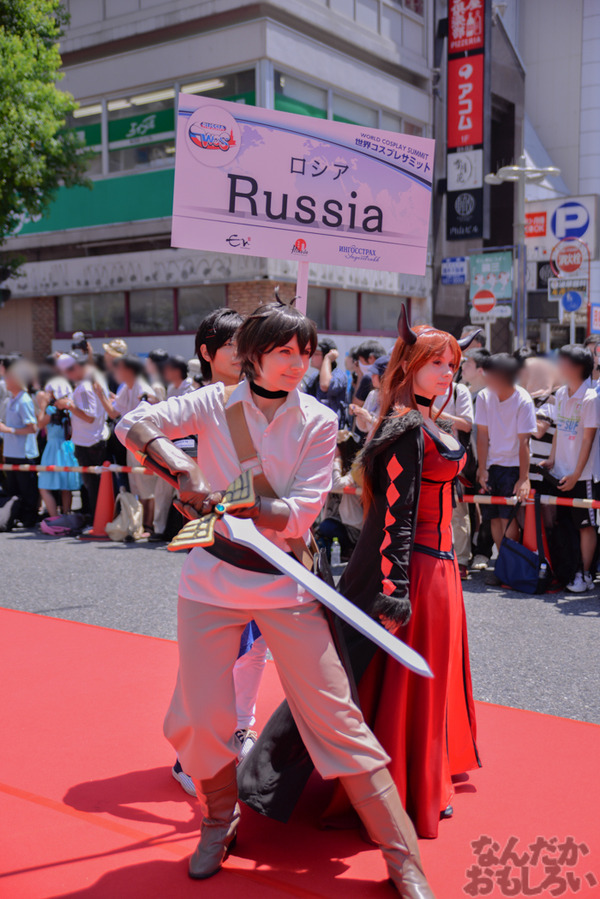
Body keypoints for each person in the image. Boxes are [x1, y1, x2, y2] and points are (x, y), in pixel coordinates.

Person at [115, 300, 435, 897]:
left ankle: (401, 854)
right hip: (211, 581)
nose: (297, 363)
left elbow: (300, 515)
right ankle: (218, 818)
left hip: (287, 581)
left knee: (336, 716)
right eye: (284, 351)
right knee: (203, 717)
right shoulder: (212, 402)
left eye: (305, 352)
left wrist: (242, 505)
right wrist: (180, 467)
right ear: (252, 355)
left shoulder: (316, 419)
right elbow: (132, 422)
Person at [238, 311, 481, 842]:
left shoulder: (428, 422)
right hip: (411, 570)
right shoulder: (404, 428)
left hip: (441, 571)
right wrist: (394, 594)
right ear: (410, 365)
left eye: (452, 365)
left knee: (419, 680)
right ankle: (397, 789)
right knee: (389, 680)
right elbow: (395, 518)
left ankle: (422, 781)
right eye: (436, 363)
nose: (446, 373)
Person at [540, 345, 599, 593]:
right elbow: (559, 429)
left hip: (583, 475)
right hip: (561, 471)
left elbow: (588, 439)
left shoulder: (591, 398)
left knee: (585, 524)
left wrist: (576, 474)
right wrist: (553, 459)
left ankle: (584, 574)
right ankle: (568, 568)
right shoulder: (562, 393)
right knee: (565, 524)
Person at [475, 353, 537, 584]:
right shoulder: (483, 397)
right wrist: (482, 468)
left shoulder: (523, 399)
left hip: (513, 466)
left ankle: (511, 568)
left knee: (508, 520)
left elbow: (524, 442)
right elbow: (482, 435)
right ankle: (503, 566)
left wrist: (524, 478)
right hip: (493, 464)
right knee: (493, 519)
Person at [95, 354, 158, 530]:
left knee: (146, 485)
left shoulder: (141, 386)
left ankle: (148, 525)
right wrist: (101, 395)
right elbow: (114, 413)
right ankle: (142, 524)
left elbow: (152, 403)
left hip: (143, 441)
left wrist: (102, 395)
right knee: (137, 484)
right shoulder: (126, 387)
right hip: (131, 442)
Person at [55, 353, 108, 520]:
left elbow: (89, 416)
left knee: (93, 486)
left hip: (89, 442)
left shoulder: (84, 387)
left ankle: (97, 521)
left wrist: (68, 405)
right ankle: (97, 520)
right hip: (92, 440)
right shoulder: (89, 384)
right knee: (94, 486)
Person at [151, 356, 198, 542]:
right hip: (169, 444)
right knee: (162, 487)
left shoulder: (191, 388)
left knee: (185, 490)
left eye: (168, 369)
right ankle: (159, 529)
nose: (165, 373)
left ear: (177, 370)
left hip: (189, 446)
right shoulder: (171, 388)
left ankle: (190, 529)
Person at [433, 380, 474, 579]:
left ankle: (461, 560)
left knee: (457, 513)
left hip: (453, 459)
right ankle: (436, 558)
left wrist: (435, 414)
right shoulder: (419, 388)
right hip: (426, 457)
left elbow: (467, 424)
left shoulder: (458, 390)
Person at [0, 360, 39, 526]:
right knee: (13, 489)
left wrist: (10, 430)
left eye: (8, 378)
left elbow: (32, 428)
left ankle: (29, 519)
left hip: (23, 452)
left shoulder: (24, 400)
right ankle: (13, 518)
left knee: (27, 490)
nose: (5, 380)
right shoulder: (11, 400)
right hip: (10, 451)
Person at [36, 377, 81, 516]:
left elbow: (40, 424)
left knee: (43, 486)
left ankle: (54, 518)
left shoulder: (51, 410)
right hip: (68, 447)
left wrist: (42, 406)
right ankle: (66, 516)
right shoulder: (70, 408)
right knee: (66, 487)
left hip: (53, 448)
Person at [303, 337, 350, 425]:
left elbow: (325, 385)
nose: (311, 357)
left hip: (332, 428)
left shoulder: (338, 375)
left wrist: (328, 359)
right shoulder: (314, 377)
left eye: (316, 354)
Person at [353, 339, 387, 408]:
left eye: (360, 360)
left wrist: (360, 375)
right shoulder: (391, 371)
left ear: (371, 358)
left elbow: (356, 404)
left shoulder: (368, 378)